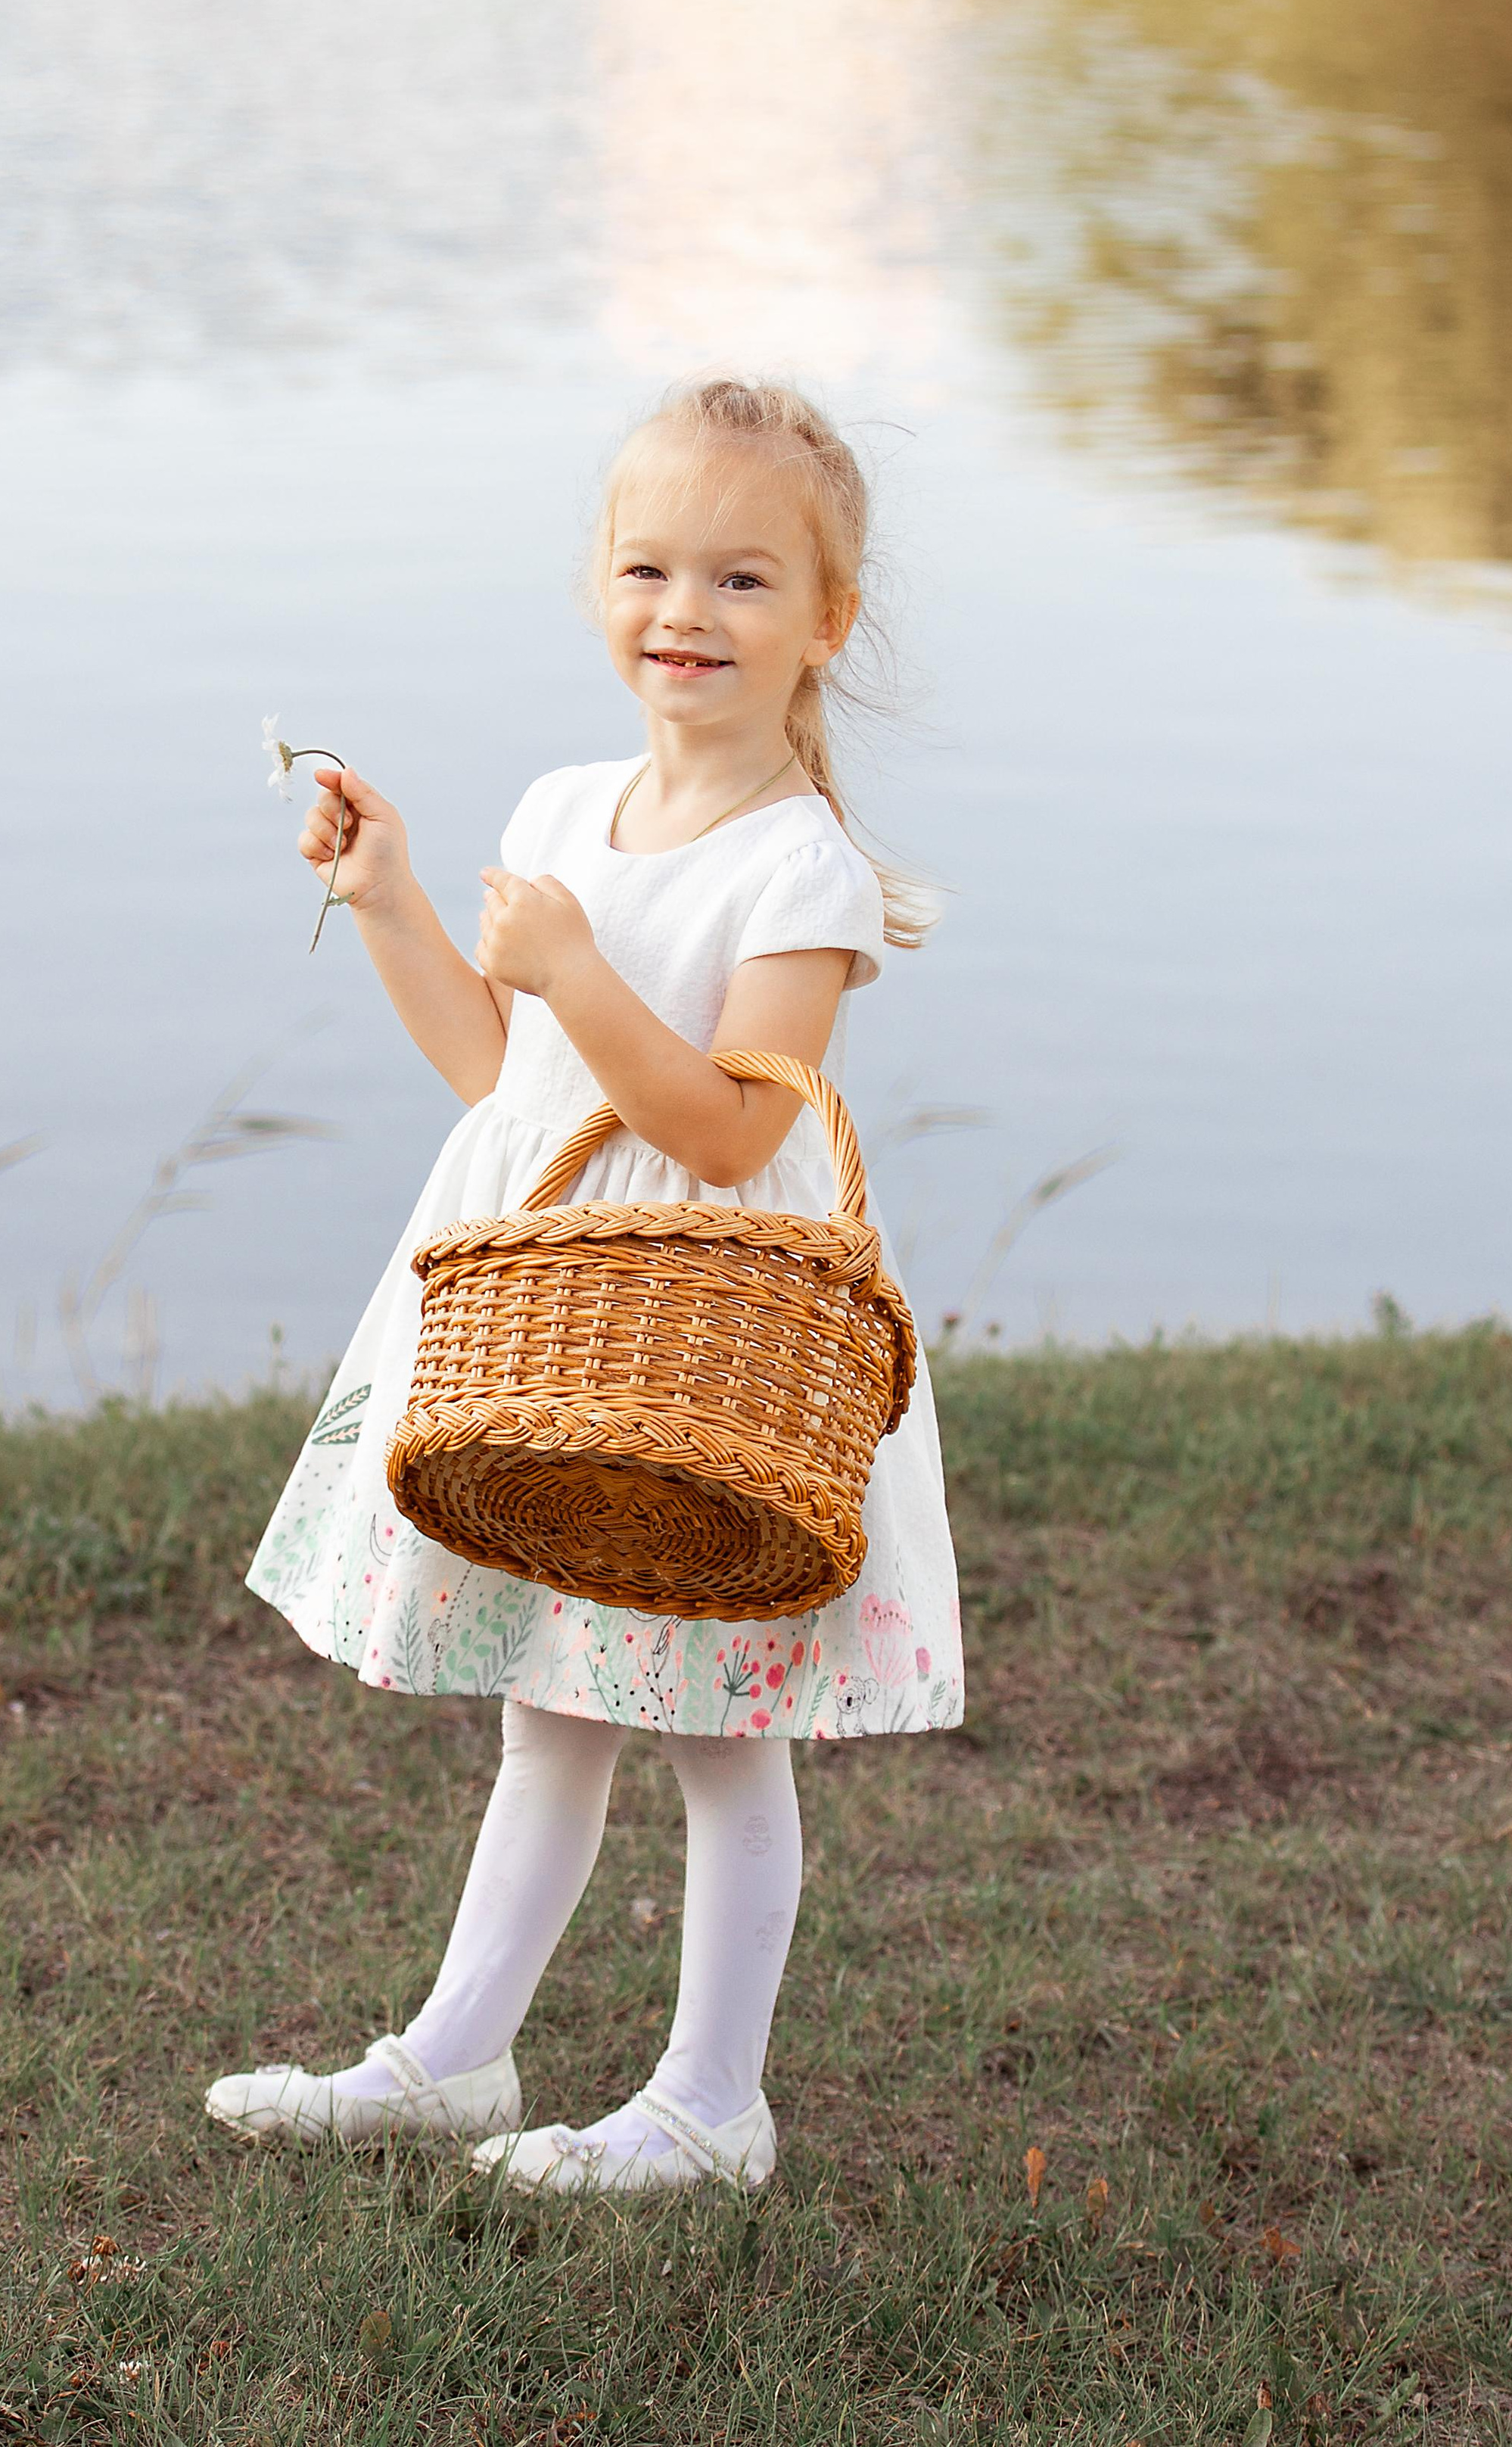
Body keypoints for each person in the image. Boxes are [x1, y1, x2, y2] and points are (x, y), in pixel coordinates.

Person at [211, 378, 962, 2194]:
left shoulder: (803, 871)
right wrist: (396, 899)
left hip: (703, 1348)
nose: (683, 614)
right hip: (544, 1324)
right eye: (647, 569)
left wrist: (571, 970)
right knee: (544, 1709)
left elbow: (715, 1129)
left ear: (823, 624)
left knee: (716, 1732)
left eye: (741, 581)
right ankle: (455, 2058)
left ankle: (713, 2104)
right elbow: (494, 1071)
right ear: (596, 593)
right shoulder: (562, 806)